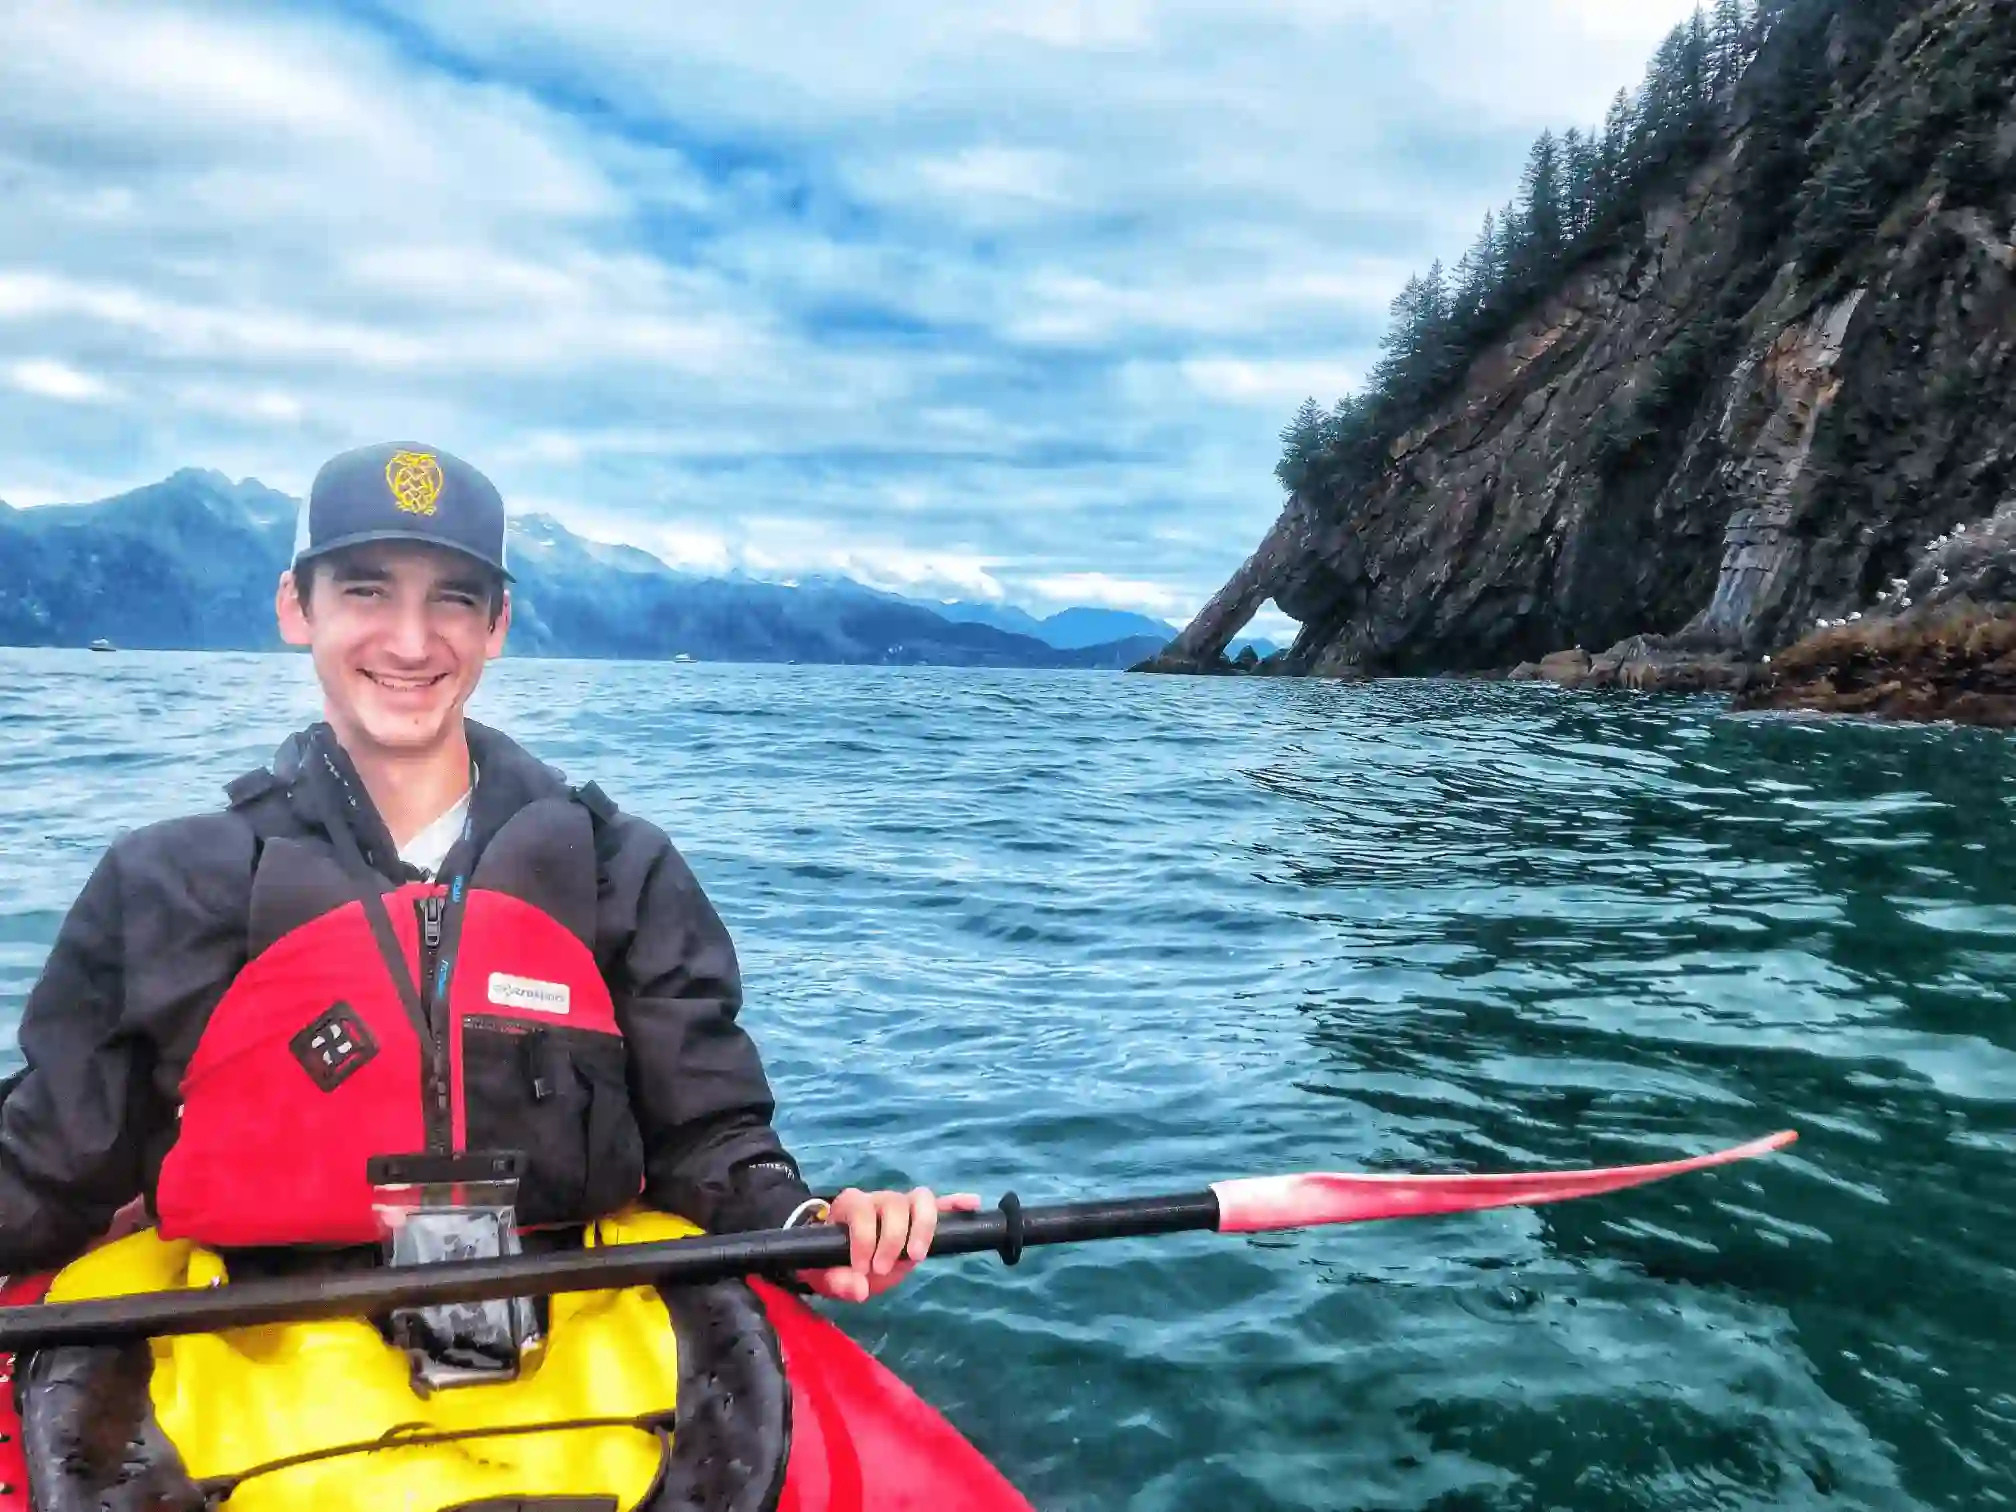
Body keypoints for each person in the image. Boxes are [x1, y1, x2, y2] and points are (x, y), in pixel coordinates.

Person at [0, 440, 973, 1305]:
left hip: (569, 1343)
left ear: (499, 624)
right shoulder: (168, 882)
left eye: (453, 599)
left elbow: (709, 1134)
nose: (413, 642)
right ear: (297, 608)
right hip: (250, 1354)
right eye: (366, 590)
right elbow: (52, 1167)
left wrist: (807, 1226)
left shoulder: (615, 869)